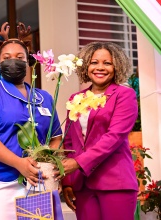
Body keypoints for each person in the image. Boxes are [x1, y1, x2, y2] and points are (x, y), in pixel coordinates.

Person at [0, 22, 63, 220]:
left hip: (36, 182)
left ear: (28, 61)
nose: (14, 62)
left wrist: (46, 161)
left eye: (20, 58)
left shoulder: (44, 97)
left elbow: (56, 137)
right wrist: (19, 163)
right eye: (6, 58)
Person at [59, 42, 138, 220]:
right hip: (82, 185)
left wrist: (78, 163)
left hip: (115, 182)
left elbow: (114, 137)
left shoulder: (124, 95)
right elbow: (69, 142)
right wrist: (67, 181)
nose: (100, 67)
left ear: (116, 66)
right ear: (86, 65)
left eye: (107, 63)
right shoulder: (76, 99)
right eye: (94, 62)